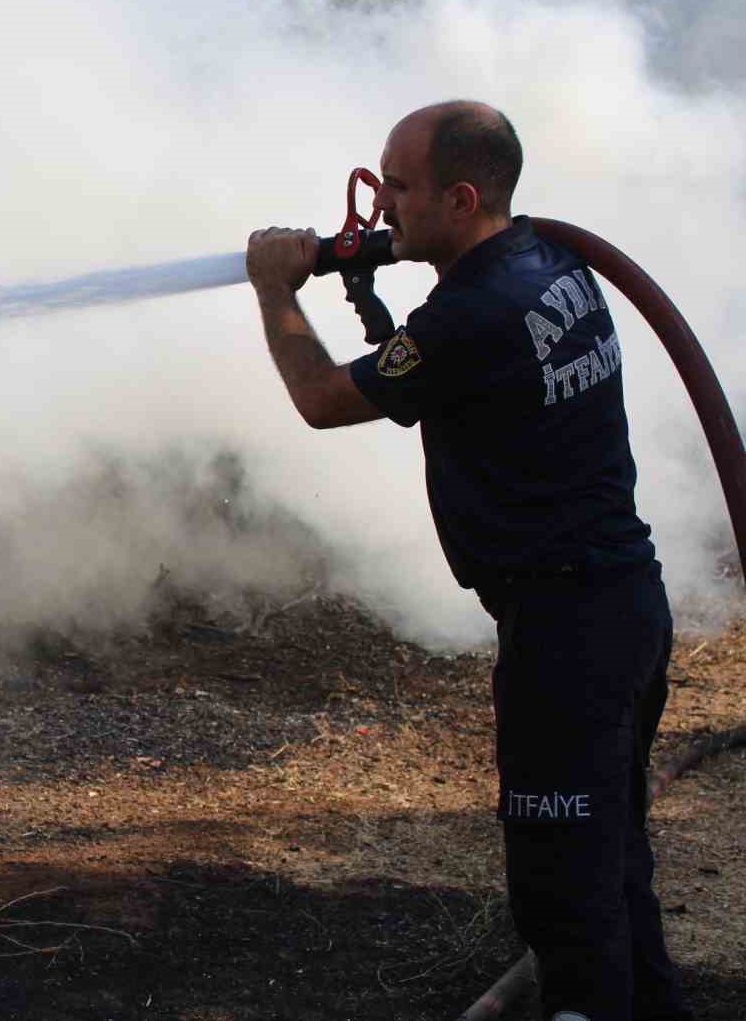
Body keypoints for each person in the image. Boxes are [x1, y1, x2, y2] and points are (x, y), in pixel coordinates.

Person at [245, 100, 693, 1021]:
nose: (382, 207)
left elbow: (326, 400)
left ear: (459, 196)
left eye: (400, 188)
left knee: (564, 889)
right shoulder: (551, 258)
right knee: (614, 860)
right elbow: (442, 379)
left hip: (568, 632)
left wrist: (276, 290)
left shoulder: (472, 313)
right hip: (621, 607)